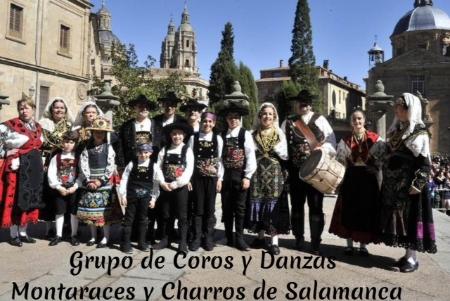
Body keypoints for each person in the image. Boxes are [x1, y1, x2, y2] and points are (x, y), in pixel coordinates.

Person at [380, 93, 437, 273]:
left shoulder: (418, 132)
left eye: (400, 107)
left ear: (409, 109)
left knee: (412, 220)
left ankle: (412, 259)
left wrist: (418, 183)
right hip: (395, 186)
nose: (396, 110)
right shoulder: (397, 129)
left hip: (409, 186)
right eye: (396, 107)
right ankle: (407, 255)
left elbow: (425, 163)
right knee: (402, 222)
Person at [281, 89, 336, 255]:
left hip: (315, 173)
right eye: (300, 102)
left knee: (316, 207)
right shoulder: (288, 122)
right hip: (295, 172)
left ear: (310, 104)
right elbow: (282, 147)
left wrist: (320, 149)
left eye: (305, 102)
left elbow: (331, 143)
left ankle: (315, 242)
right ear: (296, 104)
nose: (303, 105)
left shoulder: (320, 120)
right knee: (297, 207)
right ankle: (299, 238)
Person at [329, 109, 385, 256]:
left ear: (364, 120)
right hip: (351, 179)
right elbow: (340, 162)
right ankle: (348, 245)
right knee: (349, 210)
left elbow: (382, 160)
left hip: (368, 180)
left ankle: (363, 245)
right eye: (354, 119)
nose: (357, 121)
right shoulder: (345, 141)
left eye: (360, 119)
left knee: (365, 212)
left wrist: (375, 169)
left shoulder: (375, 139)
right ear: (351, 122)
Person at [0, 95, 44, 247]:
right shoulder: (9, 125)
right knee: (15, 200)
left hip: (33, 167)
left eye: (27, 108)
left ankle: (24, 232)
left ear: (33, 109)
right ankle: (13, 234)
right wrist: (5, 153)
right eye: (21, 108)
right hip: (16, 168)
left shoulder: (38, 127)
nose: (23, 111)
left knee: (29, 198)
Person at [248, 103, 289, 255]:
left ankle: (274, 241)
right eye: (264, 114)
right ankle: (259, 237)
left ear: (274, 117)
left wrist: (277, 149)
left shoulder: (279, 134)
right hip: (257, 174)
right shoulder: (252, 134)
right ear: (259, 116)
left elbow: (285, 155)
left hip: (274, 174)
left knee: (273, 207)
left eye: (270, 114)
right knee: (258, 204)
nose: (267, 116)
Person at [76, 117, 118, 248]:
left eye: (102, 132)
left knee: (104, 213)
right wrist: (88, 180)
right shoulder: (86, 147)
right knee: (91, 212)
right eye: (96, 132)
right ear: (92, 133)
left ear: (105, 134)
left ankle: (105, 238)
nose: (99, 134)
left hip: (103, 184)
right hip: (90, 182)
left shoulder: (109, 148)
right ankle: (93, 237)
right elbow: (83, 164)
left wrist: (100, 181)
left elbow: (110, 166)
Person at [220, 103, 257, 251]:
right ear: (227, 119)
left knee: (240, 208)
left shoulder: (245, 134)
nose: (233, 120)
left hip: (240, 175)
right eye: (230, 118)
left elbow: (250, 156)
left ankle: (240, 238)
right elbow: (219, 159)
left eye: (236, 117)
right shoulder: (222, 135)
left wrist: (247, 176)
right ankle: (229, 237)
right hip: (226, 176)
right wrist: (220, 178)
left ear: (239, 119)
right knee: (227, 207)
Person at [154, 122, 194, 252]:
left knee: (182, 216)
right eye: (174, 134)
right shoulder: (164, 150)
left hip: (180, 187)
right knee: (166, 214)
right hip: (166, 187)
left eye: (179, 134)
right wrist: (162, 183)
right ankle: (166, 238)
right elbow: (158, 167)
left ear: (184, 135)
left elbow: (189, 170)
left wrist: (176, 183)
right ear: (171, 135)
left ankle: (182, 242)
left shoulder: (187, 150)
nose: (177, 136)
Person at [187, 112, 224, 251]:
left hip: (212, 179)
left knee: (209, 208)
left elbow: (220, 160)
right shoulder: (193, 138)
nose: (207, 124)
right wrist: (189, 178)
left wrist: (220, 178)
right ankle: (197, 237)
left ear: (214, 124)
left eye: (210, 122)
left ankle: (208, 237)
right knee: (198, 208)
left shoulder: (218, 139)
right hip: (197, 179)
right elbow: (189, 160)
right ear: (200, 122)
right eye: (205, 121)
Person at [39, 97, 74, 239]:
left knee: (65, 195)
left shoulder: (70, 126)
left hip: (65, 163)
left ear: (65, 111)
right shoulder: (43, 124)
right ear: (51, 109)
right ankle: (49, 228)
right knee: (48, 194)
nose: (59, 110)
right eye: (56, 107)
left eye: (61, 108)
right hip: (47, 162)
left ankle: (66, 226)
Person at [118, 143, 160, 253]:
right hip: (132, 196)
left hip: (146, 197)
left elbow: (156, 183)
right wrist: (123, 195)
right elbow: (124, 179)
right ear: (137, 153)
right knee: (128, 220)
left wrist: (154, 198)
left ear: (150, 153)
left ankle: (142, 243)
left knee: (143, 220)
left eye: (146, 152)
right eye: (140, 152)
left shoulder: (154, 166)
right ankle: (125, 243)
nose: (143, 155)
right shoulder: (132, 164)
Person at [47, 132, 80, 246]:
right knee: (59, 211)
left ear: (75, 144)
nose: (68, 145)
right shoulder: (56, 157)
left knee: (73, 212)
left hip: (73, 188)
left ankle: (73, 235)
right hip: (60, 188)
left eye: (71, 142)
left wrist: (75, 186)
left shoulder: (77, 157)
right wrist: (58, 187)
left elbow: (81, 174)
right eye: (66, 142)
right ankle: (58, 235)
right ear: (62, 142)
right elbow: (51, 173)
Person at [119, 94, 158, 165]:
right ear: (135, 108)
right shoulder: (126, 126)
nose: (144, 109)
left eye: (147, 107)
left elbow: (160, 146)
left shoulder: (157, 126)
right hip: (131, 164)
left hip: (151, 164)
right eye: (141, 106)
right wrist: (121, 165)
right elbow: (121, 147)